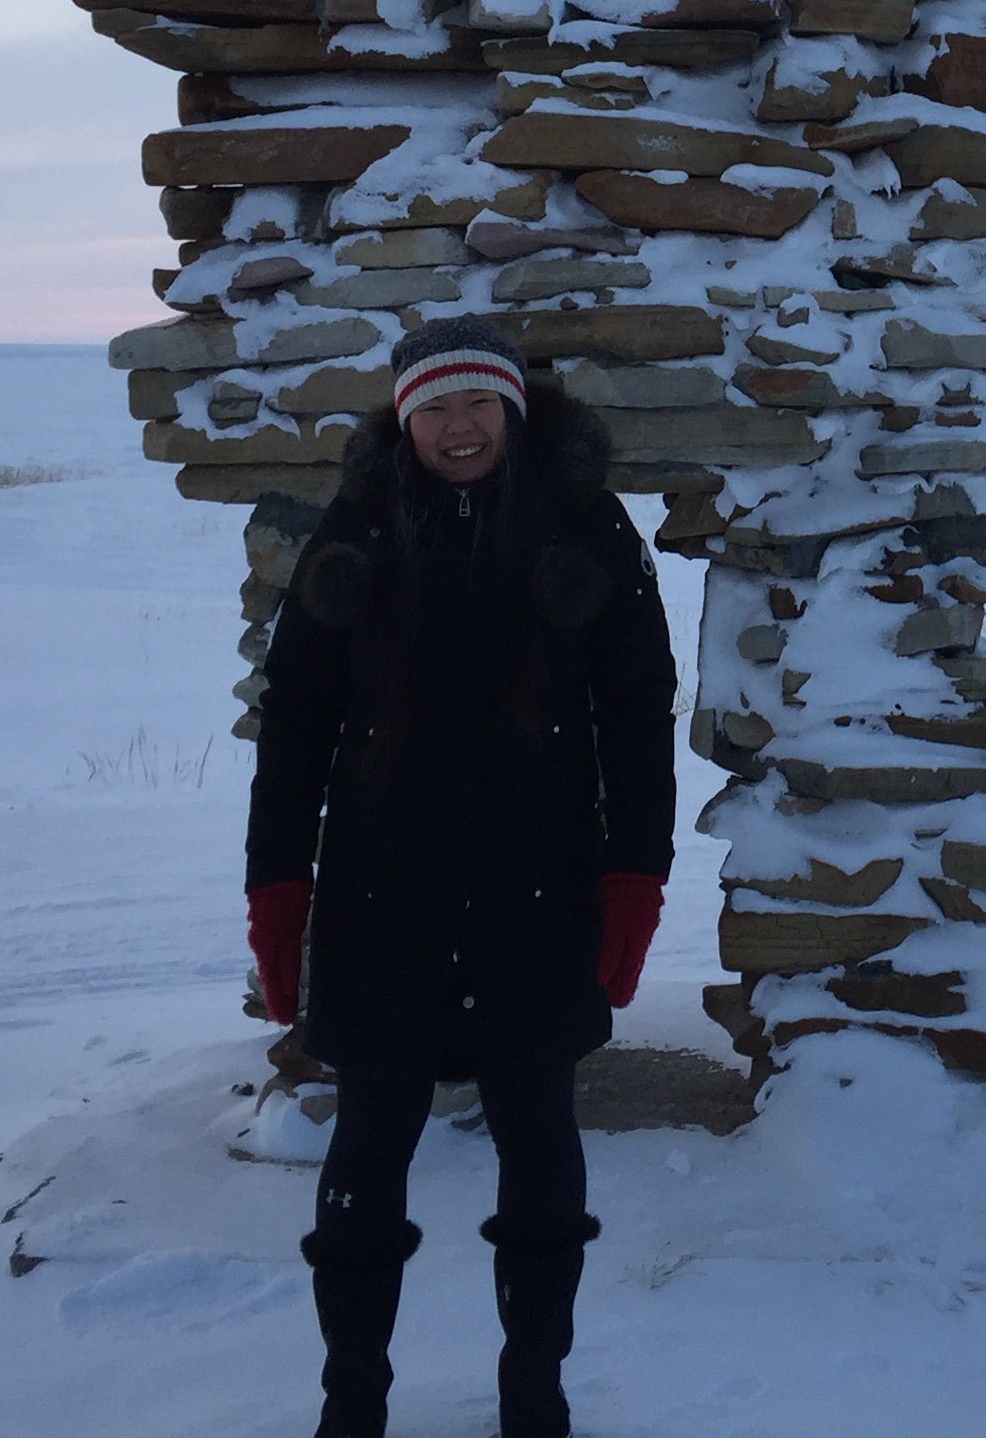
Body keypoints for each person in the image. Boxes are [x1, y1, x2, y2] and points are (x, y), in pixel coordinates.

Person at [245, 315, 676, 1438]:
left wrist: (636, 881)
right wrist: (276, 893)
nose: (458, 427)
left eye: (477, 403)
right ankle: (353, 1403)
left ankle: (535, 1398)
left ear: (513, 410)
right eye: (433, 406)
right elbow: (293, 724)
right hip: (383, 899)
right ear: (404, 419)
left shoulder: (588, 526)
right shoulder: (355, 534)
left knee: (540, 1145)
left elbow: (637, 718)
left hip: (541, 896)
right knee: (368, 1150)